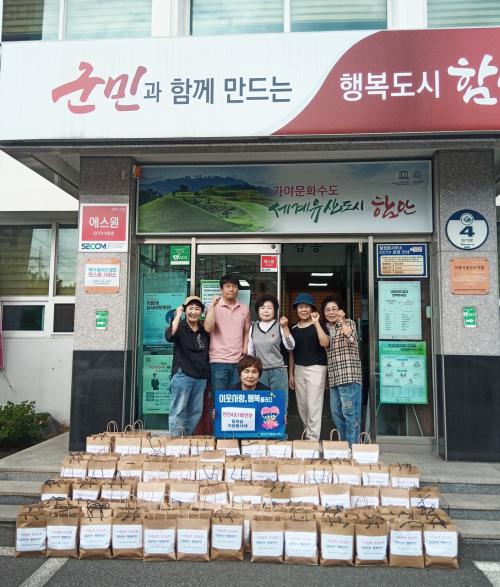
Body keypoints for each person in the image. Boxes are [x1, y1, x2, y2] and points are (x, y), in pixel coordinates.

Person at [165, 295, 210, 436]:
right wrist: (178, 315)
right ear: (185, 310)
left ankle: (186, 439)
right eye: (190, 308)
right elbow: (170, 336)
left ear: (201, 312)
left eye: (197, 309)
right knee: (178, 411)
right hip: (183, 374)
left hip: (201, 377)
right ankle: (177, 443)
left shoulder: (204, 330)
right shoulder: (180, 327)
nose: (193, 312)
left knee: (196, 412)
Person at [321, 295, 362, 447]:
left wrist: (342, 320)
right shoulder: (326, 328)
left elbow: (352, 338)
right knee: (337, 414)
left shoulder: (349, 323)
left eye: (334, 309)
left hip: (349, 375)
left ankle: (352, 447)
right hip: (334, 378)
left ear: (340, 310)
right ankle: (345, 446)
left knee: (350, 414)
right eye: (327, 310)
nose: (331, 312)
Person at [289, 293, 329, 440]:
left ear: (312, 309)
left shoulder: (320, 325)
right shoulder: (294, 328)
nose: (303, 309)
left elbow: (325, 343)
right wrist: (291, 374)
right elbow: (291, 353)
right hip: (299, 369)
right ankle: (307, 435)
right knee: (302, 406)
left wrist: (316, 323)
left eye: (306, 306)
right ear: (297, 309)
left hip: (316, 369)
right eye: (300, 307)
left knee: (314, 406)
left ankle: (312, 440)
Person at [204, 274, 251, 392]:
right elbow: (208, 328)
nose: (231, 289)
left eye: (234, 286)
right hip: (218, 360)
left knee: (236, 398)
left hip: (238, 361)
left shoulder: (244, 308)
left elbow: (246, 332)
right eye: (228, 286)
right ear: (221, 289)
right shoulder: (213, 307)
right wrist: (212, 306)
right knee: (219, 398)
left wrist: (244, 352)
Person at [247, 294, 294, 399]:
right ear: (257, 310)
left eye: (269, 308)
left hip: (278, 370)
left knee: (279, 402)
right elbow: (250, 351)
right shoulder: (253, 328)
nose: (266, 311)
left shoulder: (280, 326)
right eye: (262, 308)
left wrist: (285, 327)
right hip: (260, 371)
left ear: (274, 310)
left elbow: (290, 347)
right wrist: (251, 369)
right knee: (261, 402)